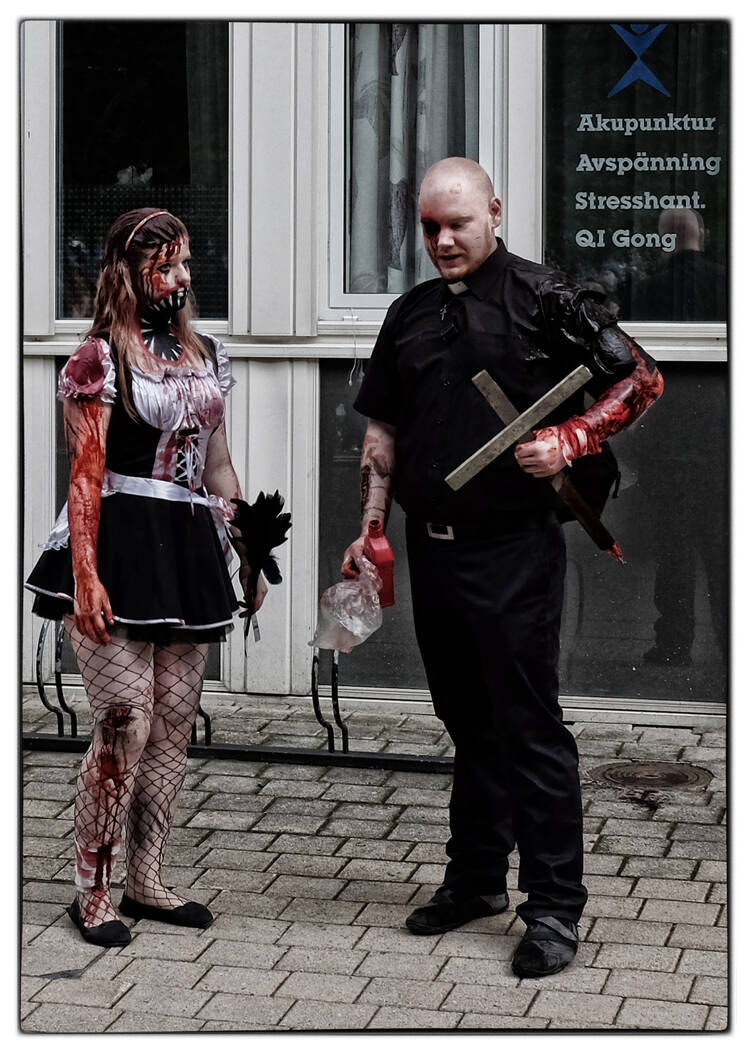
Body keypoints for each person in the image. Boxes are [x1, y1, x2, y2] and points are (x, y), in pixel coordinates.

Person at [342, 158, 663, 978]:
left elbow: (642, 377)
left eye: (458, 223)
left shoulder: (544, 299)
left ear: (494, 211)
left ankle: (554, 906)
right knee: (467, 719)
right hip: (431, 547)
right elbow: (383, 431)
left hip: (513, 550)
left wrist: (571, 437)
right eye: (430, 227)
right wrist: (371, 526)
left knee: (528, 725)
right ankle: (477, 879)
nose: (444, 240)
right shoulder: (411, 314)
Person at [26, 208, 267, 947]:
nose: (182, 277)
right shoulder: (99, 357)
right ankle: (92, 889)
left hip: (188, 545)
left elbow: (218, 465)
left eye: (186, 263)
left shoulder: (206, 354)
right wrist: (86, 574)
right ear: (129, 273)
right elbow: (85, 472)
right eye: (166, 266)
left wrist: (251, 549)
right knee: (123, 720)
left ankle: (147, 879)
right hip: (119, 539)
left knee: (171, 723)